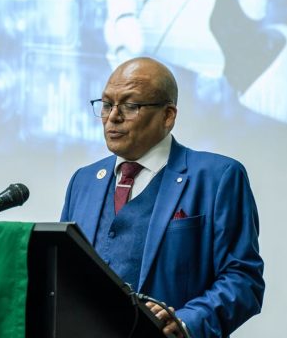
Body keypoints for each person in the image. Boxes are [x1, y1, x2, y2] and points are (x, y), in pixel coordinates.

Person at [60, 57, 264, 337]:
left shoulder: (219, 177)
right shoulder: (83, 182)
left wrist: (186, 322)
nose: (113, 117)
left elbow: (243, 281)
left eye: (130, 106)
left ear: (168, 116)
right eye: (107, 104)